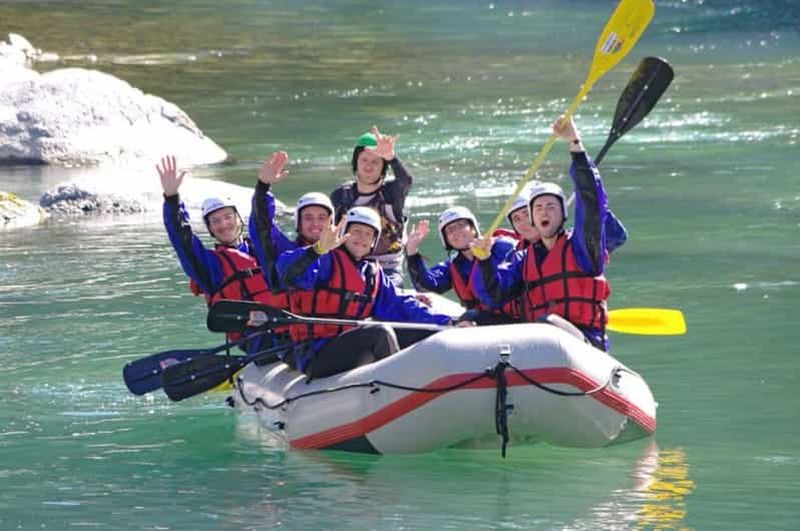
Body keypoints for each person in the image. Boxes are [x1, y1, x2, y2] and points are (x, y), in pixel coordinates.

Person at [471, 116, 618, 351]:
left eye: (551, 206)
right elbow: (495, 296)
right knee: (474, 319)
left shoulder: (581, 248)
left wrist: (575, 145)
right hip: (541, 345)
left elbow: (591, 203)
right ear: (533, 217)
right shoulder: (523, 259)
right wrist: (486, 260)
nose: (544, 211)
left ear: (563, 214)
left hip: (585, 344)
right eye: (538, 208)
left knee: (547, 323)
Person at [276, 206, 468, 378]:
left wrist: (448, 322)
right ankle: (399, 387)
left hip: (349, 343)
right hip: (316, 353)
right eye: (356, 231)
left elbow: (400, 306)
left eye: (368, 234)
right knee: (379, 333)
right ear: (343, 234)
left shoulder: (372, 273)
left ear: (374, 240)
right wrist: (317, 249)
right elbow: (287, 273)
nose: (362, 238)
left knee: (420, 331)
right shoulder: (324, 260)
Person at [158, 155, 286, 353]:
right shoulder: (210, 265)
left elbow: (263, 222)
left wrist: (264, 186)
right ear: (210, 228)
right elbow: (182, 240)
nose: (224, 224)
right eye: (216, 221)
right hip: (255, 339)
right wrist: (172, 199)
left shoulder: (261, 250)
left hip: (288, 326)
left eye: (228, 217)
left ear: (238, 219)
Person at [406, 206, 519, 325]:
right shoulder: (453, 265)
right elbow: (425, 286)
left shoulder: (502, 246)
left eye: (461, 225)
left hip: (515, 319)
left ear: (473, 228)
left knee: (469, 316)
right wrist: (412, 250)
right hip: (482, 321)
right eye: (450, 230)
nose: (456, 232)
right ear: (447, 240)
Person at [330, 126, 413, 288]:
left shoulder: (391, 193)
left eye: (376, 161)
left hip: (387, 269)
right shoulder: (341, 196)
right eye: (364, 160)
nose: (369, 166)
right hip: (348, 264)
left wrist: (391, 157)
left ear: (383, 167)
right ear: (356, 163)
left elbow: (406, 180)